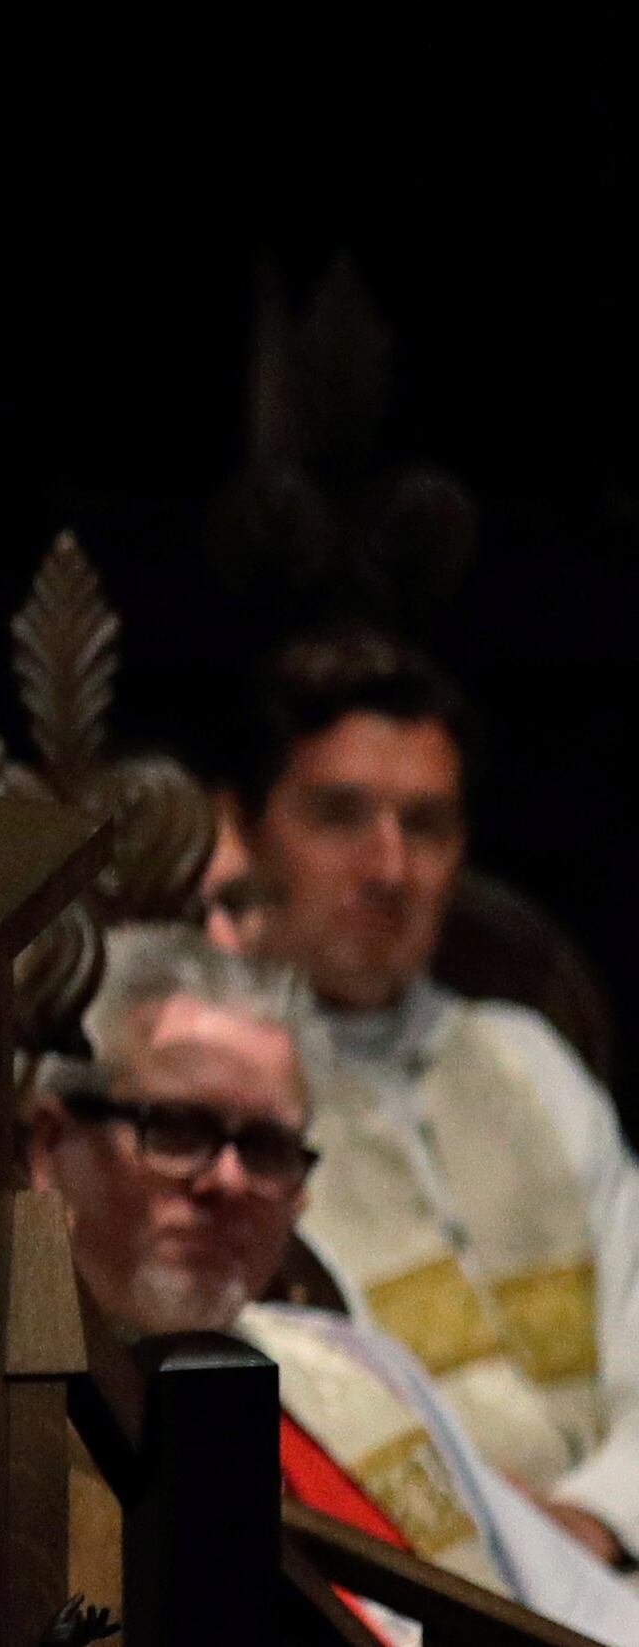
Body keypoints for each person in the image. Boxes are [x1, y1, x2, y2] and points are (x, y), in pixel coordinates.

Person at [27, 923, 639, 1642]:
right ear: (47, 1143)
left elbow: (587, 1615)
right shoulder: (13, 1421)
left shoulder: (359, 1367)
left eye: (267, 1147)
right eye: (179, 1128)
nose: (229, 1181)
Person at [224, 629, 639, 1568]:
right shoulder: (219, 1117)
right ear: (244, 827)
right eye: (340, 814)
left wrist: (599, 1519)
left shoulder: (527, 1059)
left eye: (427, 824)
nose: (389, 866)